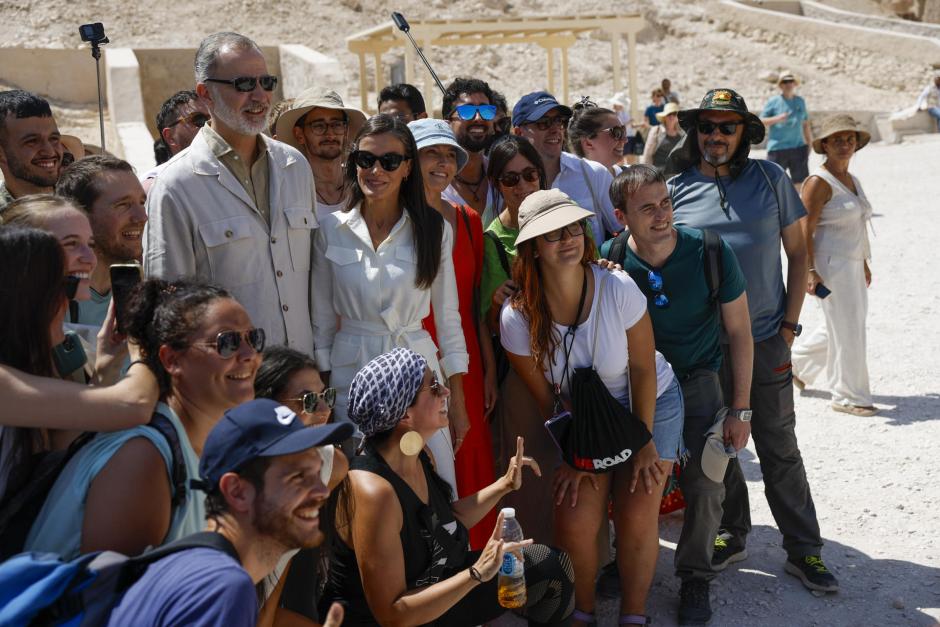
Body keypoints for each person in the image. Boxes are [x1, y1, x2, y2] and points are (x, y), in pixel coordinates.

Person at [668, 88, 839, 593]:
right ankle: (732, 532)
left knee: (778, 443)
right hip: (701, 348)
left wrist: (789, 328)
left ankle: (804, 550)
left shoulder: (770, 178)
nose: (715, 136)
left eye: (727, 127)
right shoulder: (675, 189)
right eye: (707, 126)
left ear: (744, 134)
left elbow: (798, 254)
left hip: (765, 338)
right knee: (719, 443)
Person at [501, 189, 682, 626]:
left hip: (649, 400)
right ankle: (582, 612)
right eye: (551, 234)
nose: (566, 239)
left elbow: (641, 368)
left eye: (572, 229)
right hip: (579, 416)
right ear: (531, 249)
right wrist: (576, 455)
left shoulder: (615, 285)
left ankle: (633, 614)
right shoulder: (517, 316)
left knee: (639, 509)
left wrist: (642, 442)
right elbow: (548, 400)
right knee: (575, 514)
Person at [320, 347, 574, 626]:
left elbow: (446, 522)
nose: (446, 392)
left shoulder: (419, 453)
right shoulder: (373, 492)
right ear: (404, 414)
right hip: (391, 619)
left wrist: (504, 485)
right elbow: (392, 613)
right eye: (433, 388)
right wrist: (477, 573)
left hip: (431, 591)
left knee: (552, 567)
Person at [603, 165, 754, 625]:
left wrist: (740, 409)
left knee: (706, 484)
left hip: (699, 382)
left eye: (665, 202)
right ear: (620, 215)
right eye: (646, 207)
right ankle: (622, 560)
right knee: (633, 480)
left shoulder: (709, 250)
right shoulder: (608, 258)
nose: (661, 215)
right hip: (639, 391)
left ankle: (694, 576)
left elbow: (740, 331)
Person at [25, 278, 265, 559]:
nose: (249, 355)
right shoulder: (142, 456)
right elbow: (108, 596)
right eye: (228, 343)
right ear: (171, 359)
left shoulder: (190, 445)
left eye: (254, 338)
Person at [312, 114, 469, 496]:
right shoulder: (330, 230)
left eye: (389, 161)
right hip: (353, 375)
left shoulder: (434, 230)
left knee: (434, 483)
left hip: (418, 372)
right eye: (365, 160)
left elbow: (448, 320)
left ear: (407, 168)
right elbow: (320, 324)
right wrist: (323, 398)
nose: (376, 170)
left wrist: (458, 398)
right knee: (361, 486)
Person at [107, 398, 353, 627]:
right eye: (298, 477)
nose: (322, 490)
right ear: (236, 491)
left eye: (317, 472)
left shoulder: (205, 569)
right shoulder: (222, 588)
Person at [144, 31, 317, 351]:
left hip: (300, 380)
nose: (259, 96)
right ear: (205, 94)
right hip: (227, 381)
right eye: (243, 84)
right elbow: (169, 305)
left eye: (266, 83)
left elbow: (315, 286)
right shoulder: (176, 185)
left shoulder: (294, 166)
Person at [409, 117, 498, 549]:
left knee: (471, 458)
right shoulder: (392, 218)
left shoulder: (467, 220)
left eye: (450, 155)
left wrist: (489, 370)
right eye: (432, 153)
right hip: (413, 356)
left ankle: (479, 568)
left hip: (464, 360)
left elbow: (473, 306)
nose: (443, 163)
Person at [479, 136, 555, 543]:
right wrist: (496, 304)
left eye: (530, 175)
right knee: (530, 473)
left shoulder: (563, 224)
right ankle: (533, 564)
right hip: (522, 377)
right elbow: (487, 323)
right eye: (511, 179)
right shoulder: (491, 241)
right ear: (497, 185)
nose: (523, 186)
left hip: (571, 365)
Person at [791, 114, 877, 417]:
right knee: (849, 328)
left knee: (841, 324)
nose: (845, 145)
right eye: (837, 140)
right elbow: (805, 229)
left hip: (852, 264)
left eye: (849, 139)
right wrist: (810, 272)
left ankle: (797, 365)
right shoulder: (818, 182)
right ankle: (848, 396)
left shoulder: (852, 180)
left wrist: (864, 262)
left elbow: (857, 224)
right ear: (824, 145)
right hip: (830, 267)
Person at [512, 91, 620, 247]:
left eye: (559, 121)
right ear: (518, 133)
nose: (556, 129)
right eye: (544, 122)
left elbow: (622, 231)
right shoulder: (508, 183)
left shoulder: (593, 174)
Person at [55, 156, 148, 332]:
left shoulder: (140, 290)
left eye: (141, 203)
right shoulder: (49, 302)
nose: (142, 217)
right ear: (80, 215)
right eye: (123, 205)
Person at [275, 88, 366, 220]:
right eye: (318, 126)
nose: (330, 134)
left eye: (337, 124)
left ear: (346, 130)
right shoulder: (288, 193)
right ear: (299, 135)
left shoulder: (364, 185)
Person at [442, 77, 501, 225]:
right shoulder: (435, 184)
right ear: (447, 123)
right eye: (467, 111)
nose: (478, 118)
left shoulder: (503, 176)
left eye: (486, 110)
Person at [0, 90, 69, 212]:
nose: (50, 152)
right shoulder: (5, 222)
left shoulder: (83, 195)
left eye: (53, 139)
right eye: (32, 141)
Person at [141, 90, 210, 192]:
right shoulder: (156, 186)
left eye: (214, 119)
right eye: (199, 119)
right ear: (170, 137)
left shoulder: (231, 173)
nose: (210, 125)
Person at [761, 71, 812, 192]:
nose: (788, 84)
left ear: (795, 84)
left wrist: (809, 143)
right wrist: (777, 118)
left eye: (791, 81)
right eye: (785, 81)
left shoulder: (800, 101)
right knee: (772, 183)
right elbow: (760, 120)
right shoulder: (773, 102)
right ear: (780, 85)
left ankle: (796, 209)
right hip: (777, 149)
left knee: (800, 183)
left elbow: (805, 124)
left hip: (798, 148)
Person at [567, 100, 627, 175]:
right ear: (588, 143)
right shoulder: (569, 184)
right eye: (617, 132)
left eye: (623, 131)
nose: (625, 140)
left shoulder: (632, 180)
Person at [640, 102, 685, 175]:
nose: (671, 116)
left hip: (677, 174)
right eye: (669, 114)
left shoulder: (682, 133)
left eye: (674, 114)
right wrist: (645, 173)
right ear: (664, 117)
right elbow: (647, 153)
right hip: (658, 174)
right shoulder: (656, 130)